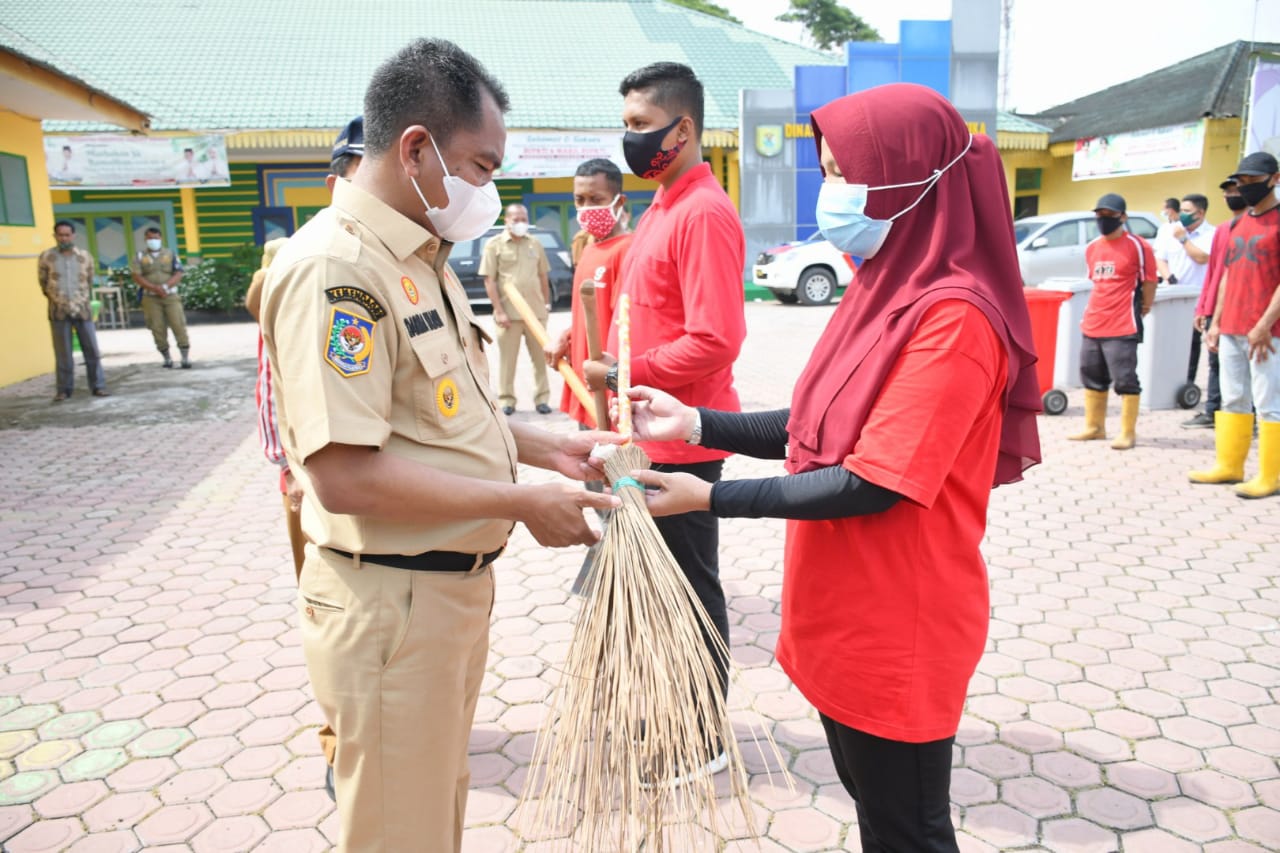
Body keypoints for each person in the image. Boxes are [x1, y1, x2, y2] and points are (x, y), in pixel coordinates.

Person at [612, 83, 1040, 853]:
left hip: (897, 622)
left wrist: (707, 495)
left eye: (849, 173)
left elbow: (872, 477)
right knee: (877, 813)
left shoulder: (956, 318)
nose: (835, 192)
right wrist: (698, 421)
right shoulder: (885, 286)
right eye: (830, 171)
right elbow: (815, 427)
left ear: (915, 181)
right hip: (844, 610)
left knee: (907, 829)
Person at [259, 39, 619, 853]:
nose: (489, 193)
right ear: (415, 147)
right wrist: (519, 502)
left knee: (431, 812)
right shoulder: (336, 270)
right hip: (393, 605)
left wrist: (547, 448)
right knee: (400, 831)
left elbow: (445, 411)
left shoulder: (420, 254)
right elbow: (346, 474)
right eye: (482, 169)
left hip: (443, 597)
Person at [583, 63, 748, 761]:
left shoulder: (704, 212)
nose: (631, 139)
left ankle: (703, 735)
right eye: (625, 125)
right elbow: (639, 310)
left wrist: (626, 371)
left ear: (682, 130)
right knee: (654, 592)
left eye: (640, 125)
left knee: (688, 590)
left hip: (682, 440)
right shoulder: (662, 205)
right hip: (642, 434)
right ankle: (664, 713)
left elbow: (715, 339)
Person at [243, 116, 365, 801]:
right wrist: (284, 466)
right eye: (354, 170)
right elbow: (271, 379)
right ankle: (339, 741)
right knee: (329, 614)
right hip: (311, 478)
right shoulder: (309, 261)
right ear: (336, 178)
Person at [1192, 152, 1280, 499]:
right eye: (1241, 181)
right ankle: (1230, 464)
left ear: (1273, 178)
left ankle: (1271, 475)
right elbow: (1229, 274)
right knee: (1233, 399)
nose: (1244, 187)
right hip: (1231, 327)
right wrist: (1216, 320)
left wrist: (1264, 324)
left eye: (1251, 181)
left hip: (1268, 333)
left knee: (1269, 401)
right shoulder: (1238, 224)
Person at [1067, 192, 1157, 450]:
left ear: (1123, 217)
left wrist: (1145, 306)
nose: (1103, 220)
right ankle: (1094, 427)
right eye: (1100, 215)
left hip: (1123, 323)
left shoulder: (1138, 246)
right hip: (1094, 321)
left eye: (1109, 215)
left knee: (1125, 377)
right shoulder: (1093, 247)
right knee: (1090, 373)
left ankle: (1127, 432)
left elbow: (1150, 281)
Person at [547, 158, 632, 428]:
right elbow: (589, 314)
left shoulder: (628, 251)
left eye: (596, 199)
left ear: (618, 203)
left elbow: (625, 326)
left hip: (611, 395)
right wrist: (567, 336)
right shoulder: (588, 250)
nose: (586, 208)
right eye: (579, 199)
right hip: (586, 388)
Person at [1184, 180, 1246, 428]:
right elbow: (1215, 273)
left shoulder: (1264, 226)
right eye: (1227, 192)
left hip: (1245, 308)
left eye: (1236, 191)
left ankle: (1247, 419)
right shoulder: (1224, 230)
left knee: (1246, 369)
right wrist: (1204, 307)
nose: (1231, 196)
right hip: (1217, 307)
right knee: (1215, 362)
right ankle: (1212, 412)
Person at [482, 203, 552, 414]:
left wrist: (546, 305)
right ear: (507, 220)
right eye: (516, 219)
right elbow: (489, 280)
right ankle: (507, 401)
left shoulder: (535, 243)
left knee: (541, 359)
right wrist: (499, 311)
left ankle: (542, 399)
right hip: (508, 315)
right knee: (507, 361)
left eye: (524, 219)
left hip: (536, 312)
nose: (521, 223)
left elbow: (543, 276)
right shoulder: (494, 245)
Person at [37, 220, 109, 400]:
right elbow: (43, 283)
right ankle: (63, 390)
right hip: (58, 310)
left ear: (74, 236)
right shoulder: (46, 257)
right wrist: (59, 299)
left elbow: (89, 280)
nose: (64, 238)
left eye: (67, 235)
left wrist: (78, 300)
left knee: (92, 350)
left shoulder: (84, 256)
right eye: (60, 235)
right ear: (55, 236)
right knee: (63, 353)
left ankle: (98, 386)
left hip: (82, 310)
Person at [131, 226, 191, 368]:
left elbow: (178, 273)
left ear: (161, 238)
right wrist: (154, 288)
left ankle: (185, 357)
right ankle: (167, 358)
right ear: (146, 239)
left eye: (156, 238)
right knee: (157, 327)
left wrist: (165, 287)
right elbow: (137, 276)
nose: (153, 241)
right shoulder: (140, 256)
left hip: (170, 295)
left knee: (178, 324)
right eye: (150, 238)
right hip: (150, 297)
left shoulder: (170, 254)